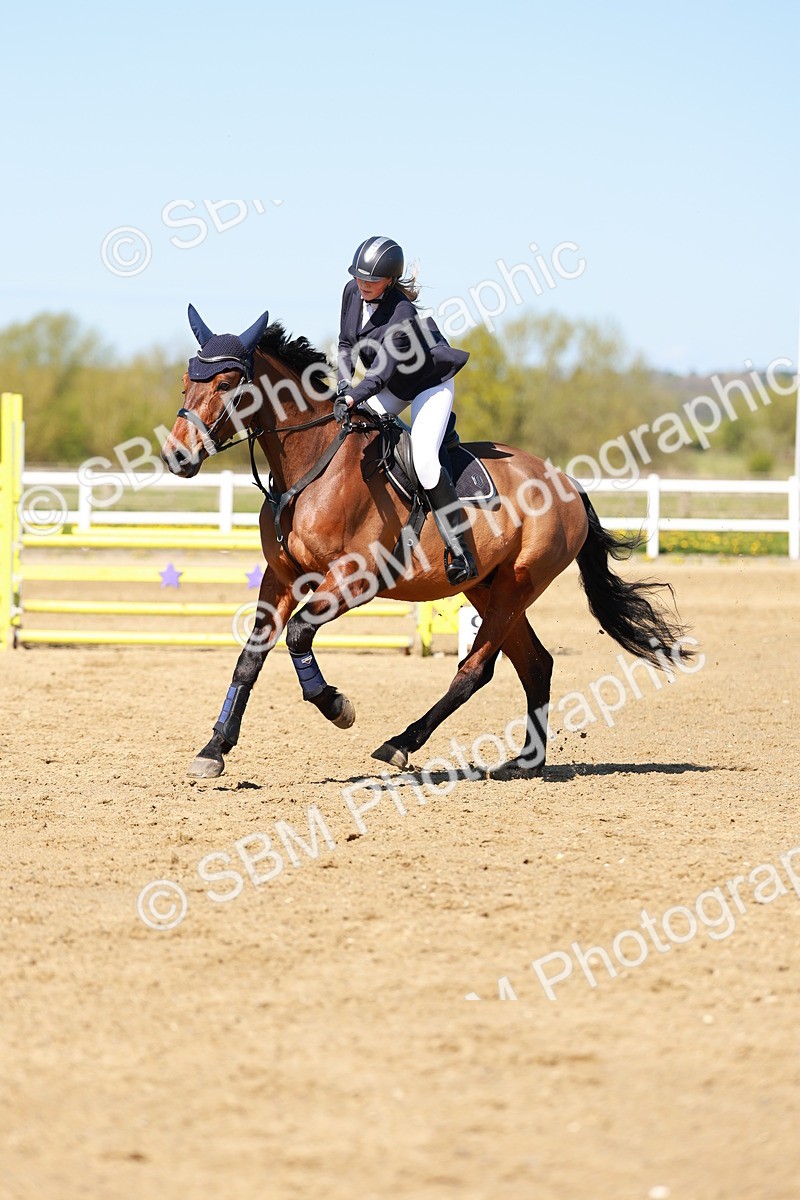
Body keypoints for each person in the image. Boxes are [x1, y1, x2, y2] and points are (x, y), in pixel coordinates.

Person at [337, 235, 478, 585]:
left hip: (428, 383)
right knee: (352, 430)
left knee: (424, 459)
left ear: (389, 280)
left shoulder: (403, 315)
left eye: (371, 281)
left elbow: (379, 374)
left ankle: (460, 550)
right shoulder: (351, 292)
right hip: (392, 384)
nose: (362, 285)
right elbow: (345, 344)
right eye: (359, 277)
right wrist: (342, 384)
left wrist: (354, 395)